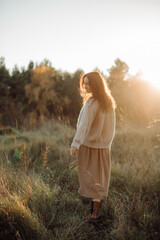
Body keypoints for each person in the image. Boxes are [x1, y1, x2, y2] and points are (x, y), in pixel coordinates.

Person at [70, 71, 116, 221]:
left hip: (90, 146)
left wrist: (76, 143)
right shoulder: (108, 101)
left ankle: (93, 215)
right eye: (85, 83)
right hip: (103, 148)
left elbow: (84, 125)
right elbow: (112, 128)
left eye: (89, 83)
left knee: (90, 179)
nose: (86, 86)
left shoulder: (92, 102)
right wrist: (106, 143)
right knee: (99, 180)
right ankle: (94, 212)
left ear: (96, 84)